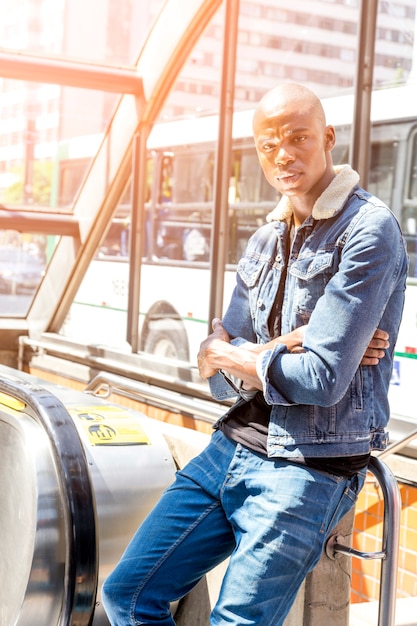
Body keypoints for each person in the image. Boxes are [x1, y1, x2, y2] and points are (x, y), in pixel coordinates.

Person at [101, 83, 408, 625]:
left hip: (308, 466)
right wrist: (278, 347)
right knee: (126, 595)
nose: (282, 154)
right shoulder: (265, 239)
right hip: (228, 448)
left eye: (298, 138)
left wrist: (238, 354)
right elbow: (214, 374)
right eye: (269, 145)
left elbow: (320, 379)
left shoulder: (368, 230)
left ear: (328, 138)